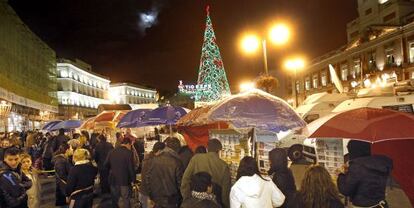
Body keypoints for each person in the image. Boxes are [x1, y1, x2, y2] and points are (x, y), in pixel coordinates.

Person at [337, 140, 393, 208]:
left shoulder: (357, 167)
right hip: (381, 205)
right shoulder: (381, 163)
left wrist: (341, 174)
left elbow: (345, 190)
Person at [181, 139, 231, 208]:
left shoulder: (196, 159)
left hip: (194, 202)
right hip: (214, 203)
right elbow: (225, 192)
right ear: (219, 151)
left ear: (207, 149)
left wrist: (187, 197)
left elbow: (185, 180)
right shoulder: (224, 166)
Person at [147, 137, 184, 208]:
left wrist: (151, 195)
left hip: (156, 197)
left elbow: (148, 179)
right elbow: (180, 183)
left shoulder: (153, 160)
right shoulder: (177, 161)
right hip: (172, 198)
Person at [106, 136, 135, 208]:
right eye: (130, 145)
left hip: (113, 179)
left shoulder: (111, 151)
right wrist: (133, 180)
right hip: (124, 180)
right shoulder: (129, 153)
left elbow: (105, 164)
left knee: (114, 200)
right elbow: (131, 168)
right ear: (128, 144)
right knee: (126, 199)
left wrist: (113, 168)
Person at [140, 142, 165, 208]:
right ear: (159, 151)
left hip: (144, 193)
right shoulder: (153, 161)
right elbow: (148, 180)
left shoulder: (148, 158)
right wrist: (152, 197)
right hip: (148, 195)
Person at [53, 143, 73, 207]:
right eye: (71, 148)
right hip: (63, 189)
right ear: (67, 150)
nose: (72, 150)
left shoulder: (64, 158)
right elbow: (62, 175)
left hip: (63, 187)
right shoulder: (60, 160)